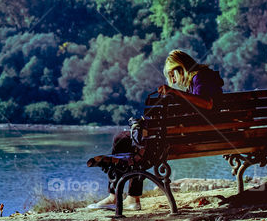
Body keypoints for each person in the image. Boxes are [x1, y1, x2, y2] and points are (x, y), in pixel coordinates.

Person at [87, 49, 224, 210]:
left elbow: (207, 104)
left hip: (194, 137)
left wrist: (175, 93)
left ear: (181, 68)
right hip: (201, 135)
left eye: (172, 75)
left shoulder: (200, 76)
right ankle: (130, 198)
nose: (173, 80)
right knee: (131, 141)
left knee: (126, 140)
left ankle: (119, 197)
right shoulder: (202, 78)